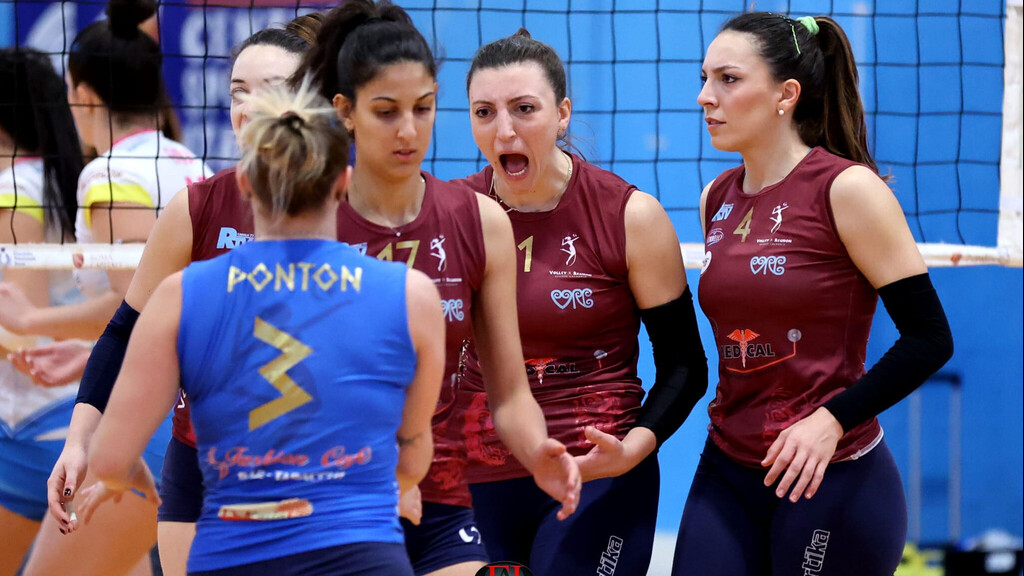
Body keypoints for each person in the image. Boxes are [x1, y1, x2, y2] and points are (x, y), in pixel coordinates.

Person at [87, 80, 444, 576]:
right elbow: (412, 460)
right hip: (361, 554)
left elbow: (107, 460)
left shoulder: (180, 297)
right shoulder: (412, 296)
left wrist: (127, 473)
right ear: (344, 182)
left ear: (244, 182)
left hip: (233, 556)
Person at [295, 3, 580, 574]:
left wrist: (538, 451)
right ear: (345, 112)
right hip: (332, 496)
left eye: (422, 108)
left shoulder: (479, 221)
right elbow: (294, 386)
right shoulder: (307, 221)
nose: (409, 131)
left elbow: (509, 393)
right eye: (386, 112)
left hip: (442, 499)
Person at [672, 13, 954, 576]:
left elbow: (930, 339)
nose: (705, 96)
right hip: (728, 465)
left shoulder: (848, 189)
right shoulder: (716, 197)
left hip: (831, 471)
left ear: (786, 94)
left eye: (728, 79)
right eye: (704, 79)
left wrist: (831, 419)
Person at [45, 14, 326, 576]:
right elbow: (125, 329)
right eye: (237, 92)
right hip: (202, 465)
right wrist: (80, 441)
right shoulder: (196, 207)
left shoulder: (352, 210)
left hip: (319, 465)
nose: (247, 107)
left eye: (269, 90)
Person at [453, 29, 709, 575]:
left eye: (525, 109)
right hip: (477, 471)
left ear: (562, 114)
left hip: (596, 470)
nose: (504, 130)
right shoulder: (453, 215)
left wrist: (633, 449)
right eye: (484, 112)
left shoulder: (629, 216)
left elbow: (685, 366)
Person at [0, 46, 85, 576]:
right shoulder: (63, 177)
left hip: (30, 423)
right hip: (74, 411)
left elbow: (20, 332)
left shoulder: (14, 189)